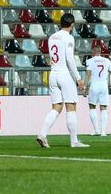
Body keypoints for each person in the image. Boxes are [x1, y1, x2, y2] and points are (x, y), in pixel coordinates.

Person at [37, 13, 88, 148]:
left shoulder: (52, 37)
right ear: (72, 24)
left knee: (56, 107)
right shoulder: (69, 38)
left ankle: (42, 134)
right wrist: (78, 79)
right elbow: (70, 59)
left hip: (53, 74)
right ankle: (74, 141)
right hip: (64, 73)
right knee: (71, 106)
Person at [84, 45, 111, 136]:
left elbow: (88, 75)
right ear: (100, 51)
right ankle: (103, 131)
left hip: (94, 85)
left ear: (93, 52)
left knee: (92, 107)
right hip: (103, 85)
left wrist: (84, 87)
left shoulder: (90, 61)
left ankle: (96, 130)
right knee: (104, 108)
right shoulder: (107, 61)